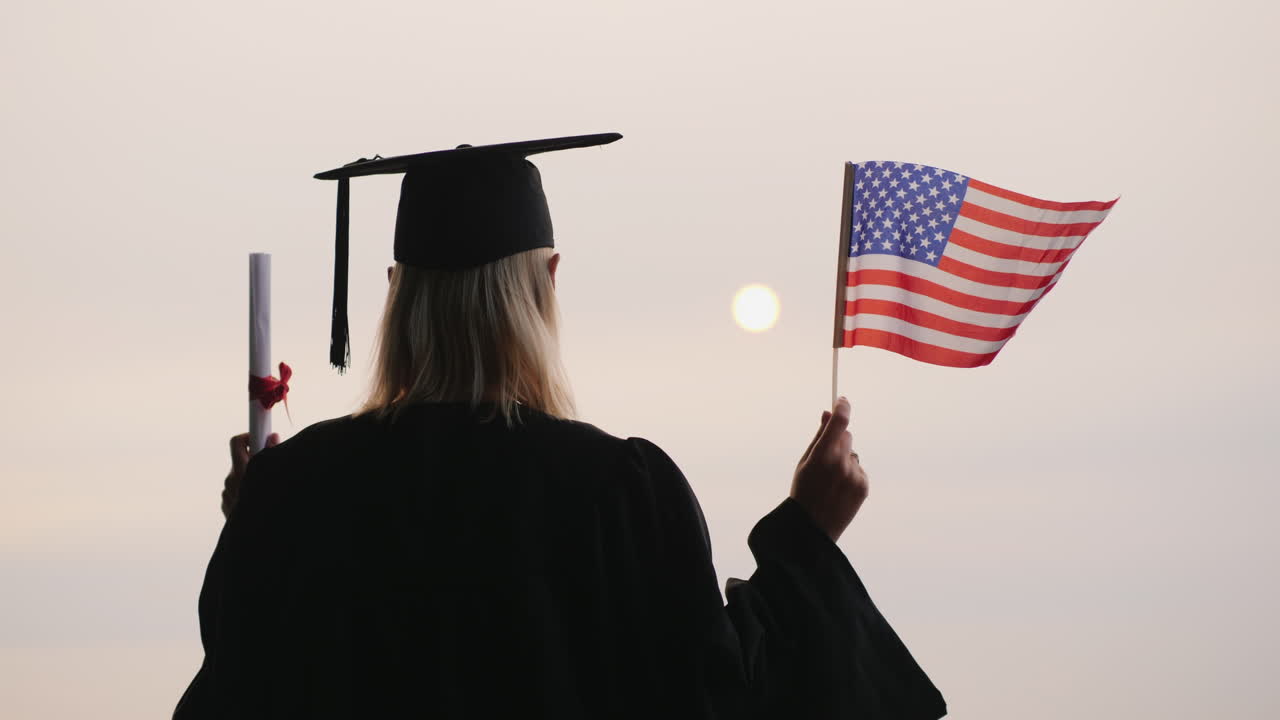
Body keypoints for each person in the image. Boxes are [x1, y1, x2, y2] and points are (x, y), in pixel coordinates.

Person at [173, 135, 946, 719]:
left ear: (394, 293)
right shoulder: (617, 489)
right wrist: (806, 539)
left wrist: (259, 523)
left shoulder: (297, 488)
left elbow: (239, 689)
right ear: (546, 283)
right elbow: (717, 698)